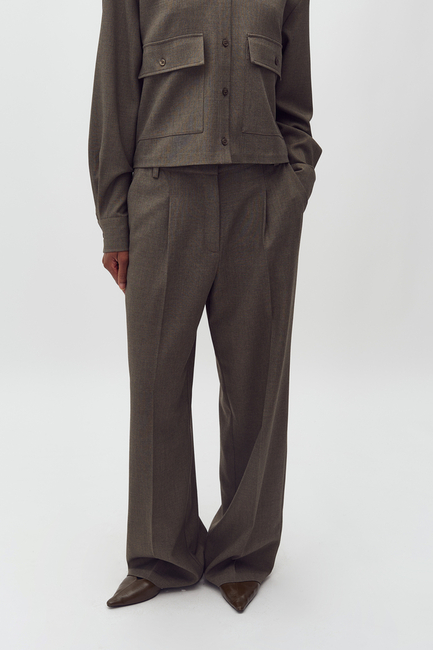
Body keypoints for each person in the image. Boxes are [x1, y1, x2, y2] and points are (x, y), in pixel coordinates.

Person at [88, 0, 322, 612]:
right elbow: (113, 96)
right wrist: (115, 221)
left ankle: (243, 552)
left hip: (260, 199)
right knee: (156, 382)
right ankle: (161, 554)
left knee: (256, 383)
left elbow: (296, 102)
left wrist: (294, 183)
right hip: (163, 197)